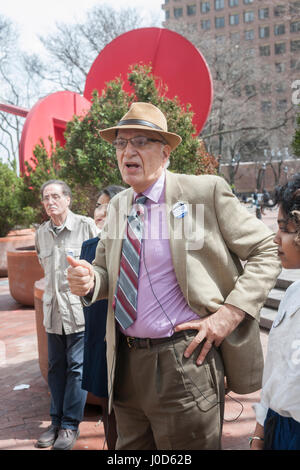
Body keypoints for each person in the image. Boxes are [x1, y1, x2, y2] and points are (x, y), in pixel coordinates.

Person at [67, 102, 281, 450]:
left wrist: (229, 314)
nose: (127, 151)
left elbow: (266, 251)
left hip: (184, 361)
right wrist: (91, 281)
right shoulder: (120, 204)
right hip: (124, 363)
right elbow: (107, 272)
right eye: (121, 143)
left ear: (165, 152)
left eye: (140, 141)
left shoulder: (203, 192)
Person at [35, 180, 98, 450]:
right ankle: (55, 422)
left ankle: (70, 426)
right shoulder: (41, 233)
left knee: (76, 370)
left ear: (68, 200)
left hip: (79, 314)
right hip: (53, 315)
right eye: (46, 198)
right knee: (55, 369)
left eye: (56, 196)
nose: (51, 202)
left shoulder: (85, 226)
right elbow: (43, 265)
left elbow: (99, 268)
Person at [250, 174, 300, 450]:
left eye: (285, 228)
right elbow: (274, 374)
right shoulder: (292, 294)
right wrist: (259, 433)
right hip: (277, 428)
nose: (276, 237)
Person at [80, 185, 125, 450]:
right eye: (98, 205)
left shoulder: (137, 244)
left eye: (108, 206)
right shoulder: (89, 247)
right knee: (107, 405)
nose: (100, 211)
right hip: (98, 335)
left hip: (127, 337)